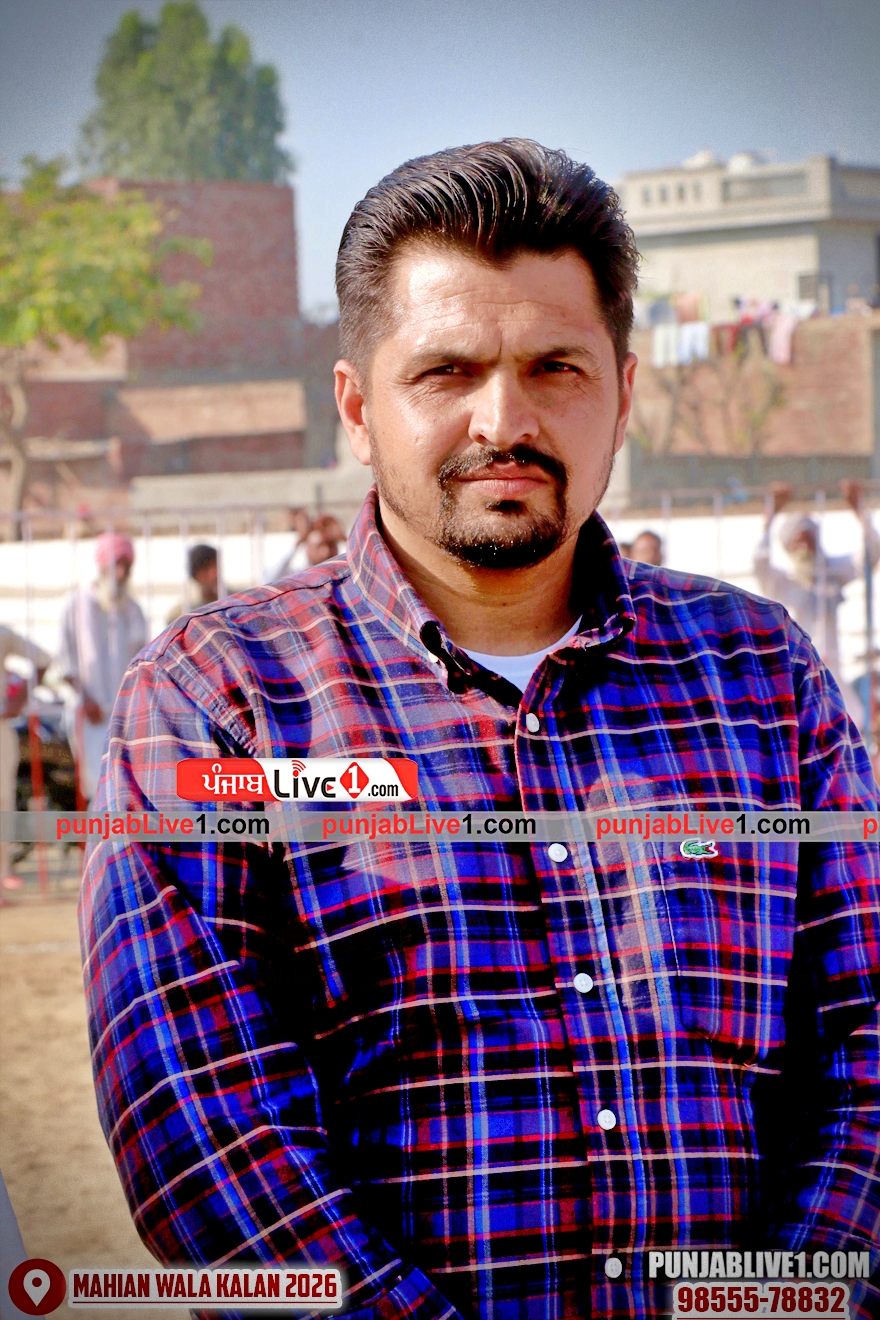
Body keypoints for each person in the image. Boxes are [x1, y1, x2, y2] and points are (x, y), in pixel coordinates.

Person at [80, 141, 879, 1320]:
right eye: (445, 370)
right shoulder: (220, 704)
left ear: (622, 394)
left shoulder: (762, 679)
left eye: (556, 368)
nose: (503, 420)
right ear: (359, 407)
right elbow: (205, 1141)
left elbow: (865, 1055)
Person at [754, 481, 879, 718]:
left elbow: (870, 554)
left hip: (831, 671)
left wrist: (858, 508)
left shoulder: (831, 574)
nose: (804, 547)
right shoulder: (784, 583)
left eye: (808, 540)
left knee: (852, 719)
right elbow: (759, 562)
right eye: (797, 542)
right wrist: (771, 514)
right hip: (796, 674)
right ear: (788, 547)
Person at [59, 532, 146, 803]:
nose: (121, 572)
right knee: (98, 789)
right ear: (102, 565)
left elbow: (144, 661)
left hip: (128, 714)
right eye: (116, 564)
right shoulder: (76, 606)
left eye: (126, 566)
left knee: (129, 789)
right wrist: (86, 698)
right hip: (91, 715)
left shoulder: (133, 609)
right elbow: (64, 663)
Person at [0, 625, 50, 885]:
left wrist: (17, 701)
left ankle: (2, 875)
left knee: (2, 802)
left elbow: (43, 659)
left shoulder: (3, 633)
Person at [166, 544, 220, 624]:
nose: (213, 574)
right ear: (195, 574)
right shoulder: (180, 612)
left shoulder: (235, 601)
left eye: (215, 566)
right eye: (206, 569)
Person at [262, 506, 312, 582]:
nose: (305, 524)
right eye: (300, 520)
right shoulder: (281, 540)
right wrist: (297, 543)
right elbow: (272, 575)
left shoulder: (312, 541)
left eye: (306, 519)